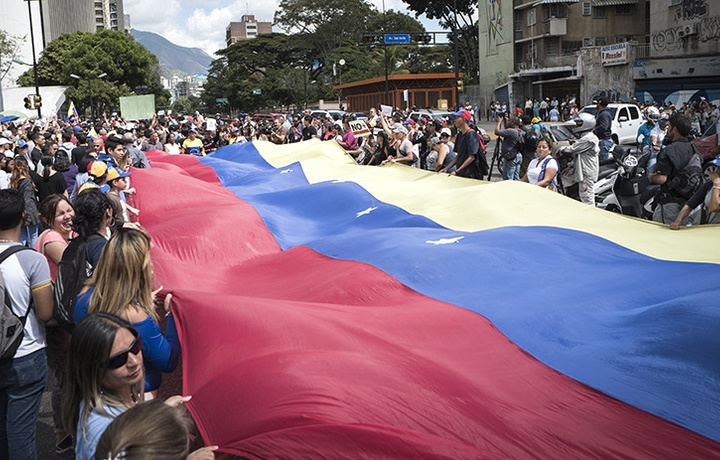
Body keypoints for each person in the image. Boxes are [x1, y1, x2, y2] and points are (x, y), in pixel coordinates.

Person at [75, 229, 180, 393]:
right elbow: (168, 361)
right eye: (148, 260)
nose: (152, 265)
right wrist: (170, 315)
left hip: (96, 389)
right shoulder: (134, 316)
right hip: (135, 396)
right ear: (138, 270)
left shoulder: (84, 296)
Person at [0, 189, 54, 460]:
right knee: (21, 430)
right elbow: (45, 313)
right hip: (26, 353)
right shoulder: (32, 260)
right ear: (23, 215)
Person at [34, 194, 76, 454]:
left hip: (61, 318)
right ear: (49, 220)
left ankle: (66, 429)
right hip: (58, 322)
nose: (68, 216)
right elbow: (75, 266)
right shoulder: (51, 239)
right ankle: (63, 433)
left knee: (66, 376)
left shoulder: (58, 236)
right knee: (66, 378)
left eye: (69, 210)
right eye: (61, 214)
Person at [649, 112, 704, 225]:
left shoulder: (668, 150)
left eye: (669, 126)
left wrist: (651, 177)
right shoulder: (693, 149)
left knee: (664, 240)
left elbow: (661, 179)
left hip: (671, 207)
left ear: (675, 129)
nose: (667, 129)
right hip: (690, 206)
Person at [559, 112, 600, 205]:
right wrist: (570, 166)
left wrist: (561, 149)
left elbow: (573, 149)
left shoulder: (588, 139)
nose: (576, 125)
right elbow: (579, 154)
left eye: (579, 123)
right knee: (564, 179)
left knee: (587, 198)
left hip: (586, 172)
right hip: (580, 169)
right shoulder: (586, 137)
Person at [669, 164, 720, 230]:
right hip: (709, 227)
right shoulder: (709, 184)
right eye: (718, 167)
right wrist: (678, 221)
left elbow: (714, 208)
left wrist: (716, 186)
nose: (717, 171)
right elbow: (689, 205)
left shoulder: (715, 184)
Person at [439, 110, 483, 179]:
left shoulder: (471, 135)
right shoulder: (459, 135)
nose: (455, 120)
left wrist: (457, 171)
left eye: (457, 118)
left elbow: (471, 157)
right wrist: (446, 168)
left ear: (464, 119)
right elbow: (458, 156)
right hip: (461, 173)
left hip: (471, 174)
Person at [9, 156, 41, 247]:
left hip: (18, 210)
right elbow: (28, 198)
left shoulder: (14, 181)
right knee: (33, 235)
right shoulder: (27, 181)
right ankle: (34, 253)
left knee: (22, 236)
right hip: (29, 210)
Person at [494, 114, 523, 180]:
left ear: (513, 122)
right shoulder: (518, 131)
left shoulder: (511, 131)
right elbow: (507, 129)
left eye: (510, 120)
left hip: (511, 157)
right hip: (517, 155)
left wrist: (499, 122)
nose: (509, 121)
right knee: (516, 177)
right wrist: (505, 119)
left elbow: (497, 132)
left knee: (508, 177)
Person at [593, 97, 613, 163]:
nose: (596, 105)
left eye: (597, 103)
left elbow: (604, 126)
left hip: (604, 141)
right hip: (603, 140)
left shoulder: (604, 114)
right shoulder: (602, 113)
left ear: (599, 104)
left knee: (603, 162)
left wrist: (594, 130)